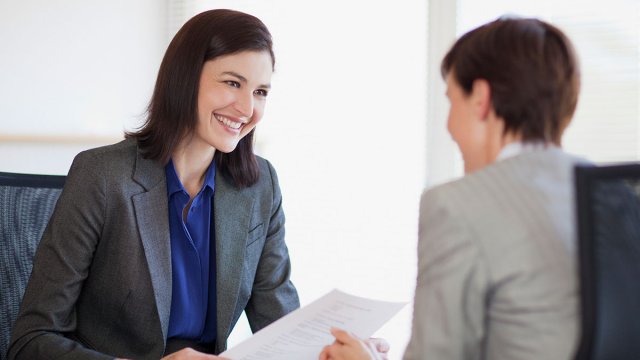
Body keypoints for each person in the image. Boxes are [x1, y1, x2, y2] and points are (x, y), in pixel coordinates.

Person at [8, 9, 300, 360]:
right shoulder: (101, 176)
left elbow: (285, 333)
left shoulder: (259, 185)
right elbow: (31, 341)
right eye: (232, 83)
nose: (246, 107)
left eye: (261, 91)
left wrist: (336, 350)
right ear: (186, 78)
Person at [320, 16, 583, 360]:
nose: (449, 126)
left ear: (481, 98)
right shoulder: (612, 193)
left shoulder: (456, 204)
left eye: (451, 100)